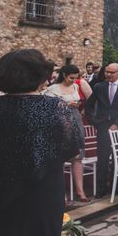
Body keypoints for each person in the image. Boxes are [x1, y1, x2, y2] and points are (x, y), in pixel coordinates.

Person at [0, 49, 80, 236]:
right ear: (40, 76)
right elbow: (72, 147)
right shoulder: (55, 107)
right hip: (43, 191)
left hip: (1, 191)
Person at [84, 63, 118, 198]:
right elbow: (88, 106)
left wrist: (117, 124)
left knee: (117, 158)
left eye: (112, 72)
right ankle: (101, 188)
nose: (108, 74)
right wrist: (94, 122)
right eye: (107, 72)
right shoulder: (99, 87)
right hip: (102, 127)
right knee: (103, 158)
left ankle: (116, 186)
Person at [44, 64, 90, 203]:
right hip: (60, 120)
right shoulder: (52, 89)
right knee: (61, 157)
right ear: (64, 75)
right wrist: (65, 105)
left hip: (75, 118)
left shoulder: (76, 86)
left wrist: (77, 106)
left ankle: (80, 191)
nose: (73, 80)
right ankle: (62, 194)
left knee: (78, 156)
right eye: (71, 78)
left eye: (75, 78)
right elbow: (48, 106)